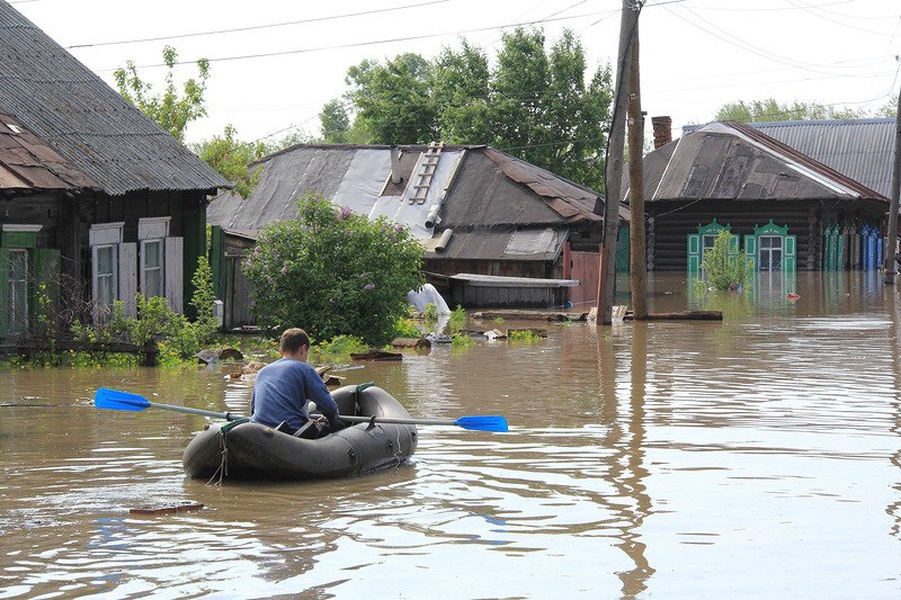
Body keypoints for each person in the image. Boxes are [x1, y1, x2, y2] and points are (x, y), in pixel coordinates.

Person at [249, 328, 344, 435]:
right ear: (303, 349)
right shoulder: (305, 369)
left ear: (281, 351)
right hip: (289, 432)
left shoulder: (262, 372)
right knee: (338, 426)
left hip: (257, 429)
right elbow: (328, 407)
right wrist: (331, 420)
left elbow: (253, 409)